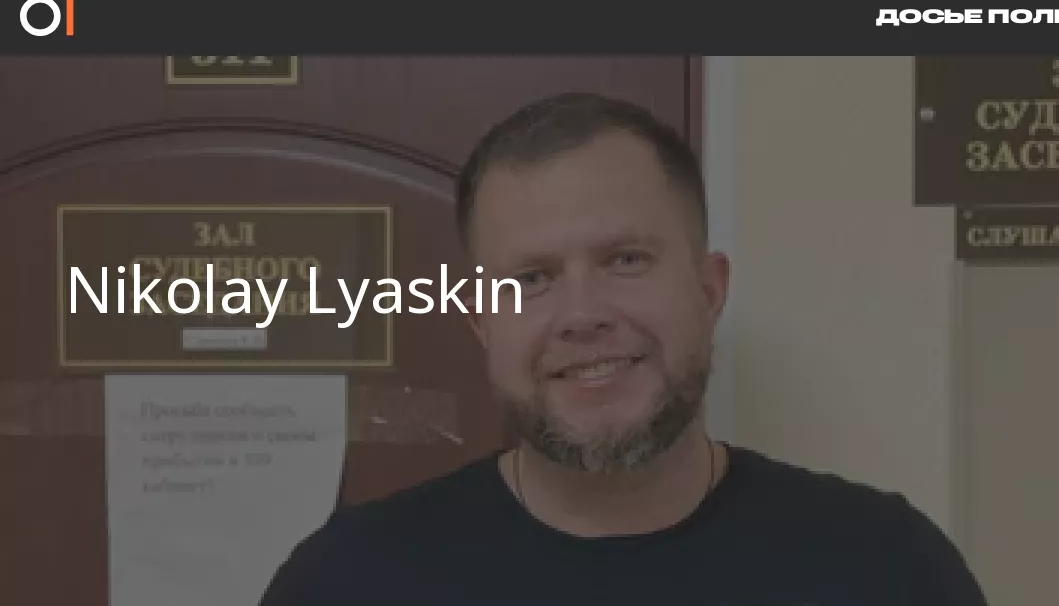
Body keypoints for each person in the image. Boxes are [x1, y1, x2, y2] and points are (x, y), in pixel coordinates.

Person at [259, 92, 989, 605]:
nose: (583, 315)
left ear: (708, 289)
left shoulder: (886, 568)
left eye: (626, 260)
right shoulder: (346, 583)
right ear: (482, 324)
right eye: (533, 278)